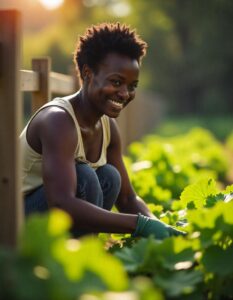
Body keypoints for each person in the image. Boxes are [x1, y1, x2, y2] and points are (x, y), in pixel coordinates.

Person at [20, 23, 185, 239]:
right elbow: (61, 202)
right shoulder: (57, 121)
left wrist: (160, 227)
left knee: (110, 176)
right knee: (85, 176)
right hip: (13, 219)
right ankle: (78, 257)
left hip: (50, 217)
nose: (125, 93)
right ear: (88, 74)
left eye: (132, 85)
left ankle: (84, 251)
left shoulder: (108, 126)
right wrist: (138, 225)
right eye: (116, 82)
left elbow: (126, 198)